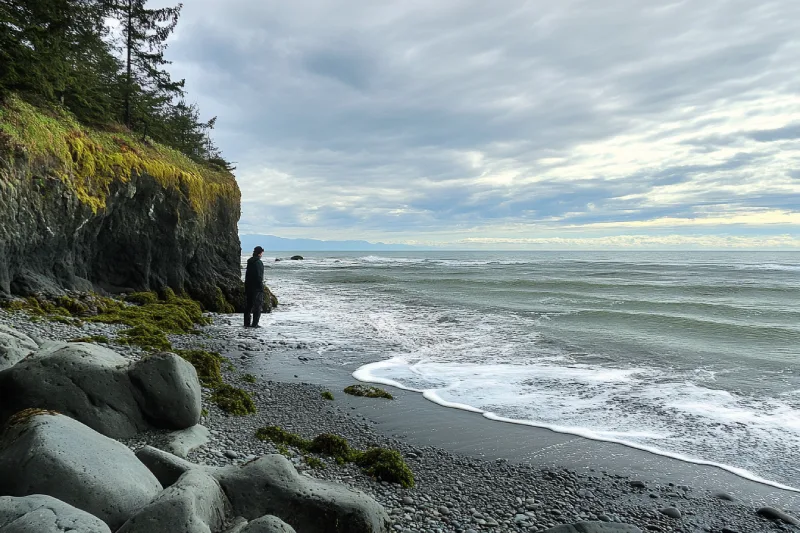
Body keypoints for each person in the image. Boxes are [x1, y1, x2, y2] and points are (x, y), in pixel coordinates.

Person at [244, 246, 265, 328]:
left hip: (249, 286)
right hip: (257, 288)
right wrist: (261, 287)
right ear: (260, 253)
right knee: (257, 306)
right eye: (262, 253)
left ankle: (246, 324)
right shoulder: (258, 263)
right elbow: (259, 276)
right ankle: (255, 324)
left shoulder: (250, 262)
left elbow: (247, 275)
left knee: (248, 306)